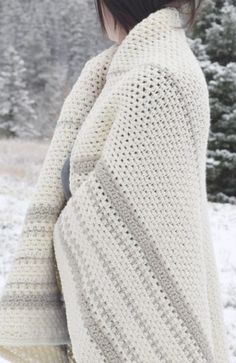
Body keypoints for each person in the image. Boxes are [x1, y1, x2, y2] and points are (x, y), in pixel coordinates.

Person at [0, 1, 231, 362]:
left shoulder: (153, 80)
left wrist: (65, 216)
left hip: (144, 326)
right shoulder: (139, 67)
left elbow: (118, 226)